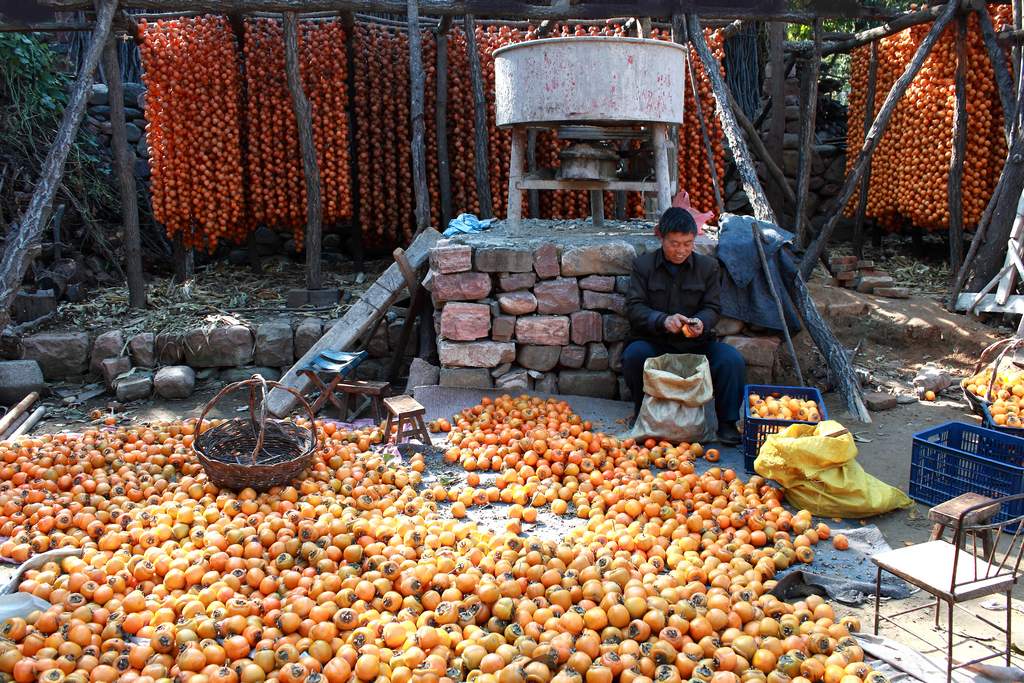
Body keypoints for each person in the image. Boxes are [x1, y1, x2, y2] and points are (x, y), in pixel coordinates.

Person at [624, 207, 746, 445]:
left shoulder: (707, 267)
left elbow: (713, 307)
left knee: (731, 360)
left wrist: (701, 322)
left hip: (697, 344)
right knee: (634, 355)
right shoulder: (644, 266)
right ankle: (642, 415)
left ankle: (728, 424)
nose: (681, 250)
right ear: (662, 238)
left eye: (687, 244)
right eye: (674, 243)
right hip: (656, 342)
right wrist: (662, 320)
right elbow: (634, 307)